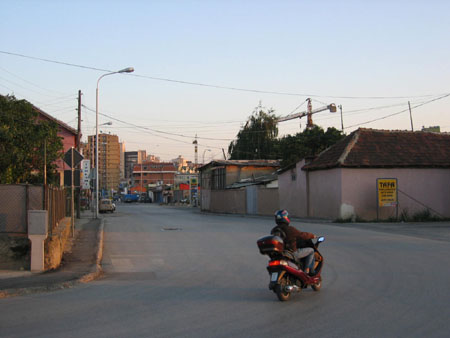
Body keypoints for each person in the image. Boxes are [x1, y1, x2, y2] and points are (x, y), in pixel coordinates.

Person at [271, 209, 317, 275]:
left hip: (281, 253)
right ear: (285, 218)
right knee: (311, 250)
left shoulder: (274, 230)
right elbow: (302, 235)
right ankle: (308, 271)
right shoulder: (290, 229)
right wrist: (312, 236)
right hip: (292, 253)